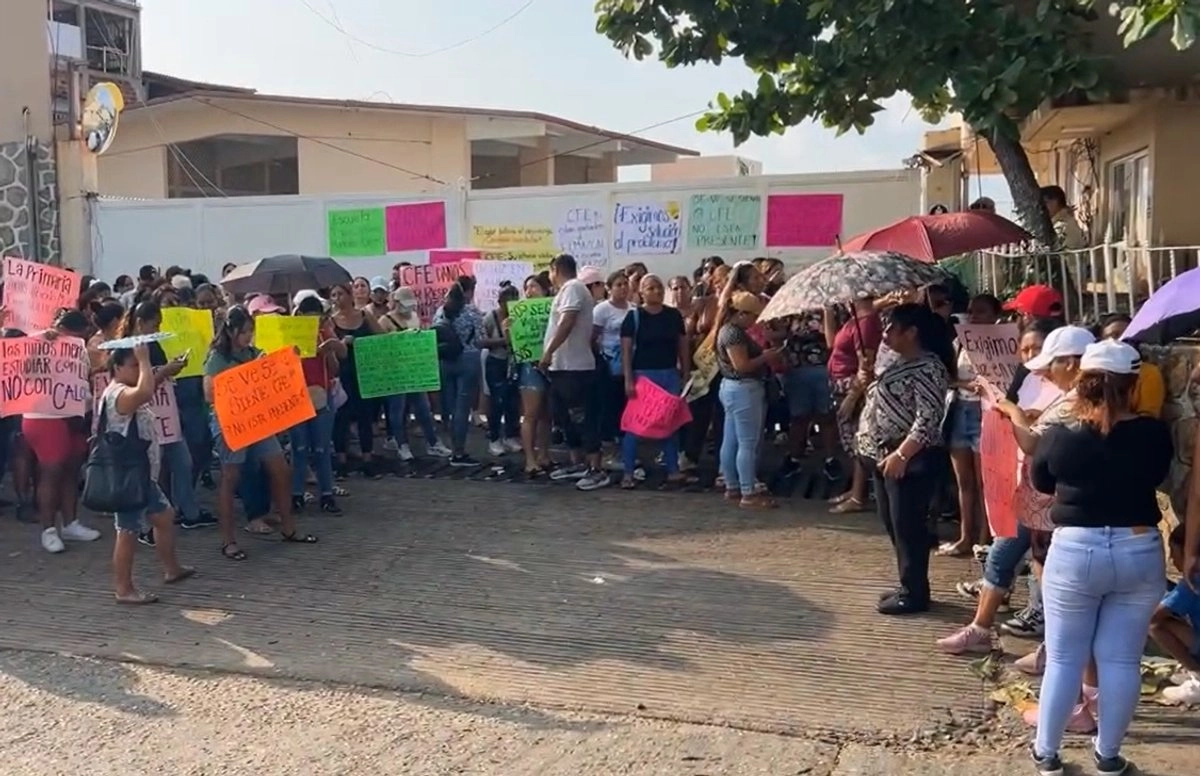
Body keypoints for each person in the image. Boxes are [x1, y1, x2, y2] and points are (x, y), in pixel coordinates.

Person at [1029, 339, 1172, 776]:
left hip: (1075, 550)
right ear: (1133, 386)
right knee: (1121, 660)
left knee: (1064, 658)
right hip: (1139, 549)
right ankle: (1108, 756)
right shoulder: (1153, 434)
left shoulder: (1060, 435)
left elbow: (1041, 482)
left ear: (1082, 382)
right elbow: (1159, 475)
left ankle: (1047, 754)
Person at [855, 303, 952, 615]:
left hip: (909, 456)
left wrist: (903, 453)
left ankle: (915, 592)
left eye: (892, 328)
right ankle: (907, 581)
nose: (885, 334)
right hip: (883, 454)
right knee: (893, 522)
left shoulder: (929, 367)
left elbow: (928, 418)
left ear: (911, 332)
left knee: (909, 525)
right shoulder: (896, 361)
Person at [203, 305, 318, 560]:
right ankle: (228, 541)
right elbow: (209, 393)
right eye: (244, 332)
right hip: (231, 424)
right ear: (231, 331)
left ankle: (289, 528)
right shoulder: (217, 358)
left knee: (281, 470)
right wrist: (243, 376)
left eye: (250, 332)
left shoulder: (254, 352)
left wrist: (288, 359)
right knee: (231, 477)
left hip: (257, 421)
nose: (248, 337)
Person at [100, 345, 196, 604]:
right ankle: (124, 589)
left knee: (164, 516)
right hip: (127, 475)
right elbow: (145, 392)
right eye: (133, 366)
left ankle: (172, 568)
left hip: (141, 473)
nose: (138, 370)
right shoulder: (118, 393)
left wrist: (150, 366)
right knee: (127, 529)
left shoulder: (123, 389)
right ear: (117, 367)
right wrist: (144, 359)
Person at [24, 309, 100, 553]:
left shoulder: (80, 349)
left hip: (76, 415)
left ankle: (70, 523)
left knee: (71, 470)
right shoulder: (39, 342)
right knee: (51, 471)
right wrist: (41, 344)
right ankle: (48, 530)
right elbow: (22, 370)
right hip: (47, 416)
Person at [938, 293, 1002, 557]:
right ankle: (966, 536)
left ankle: (985, 538)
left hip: (985, 412)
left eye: (982, 311)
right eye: (972, 311)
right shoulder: (960, 343)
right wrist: (963, 383)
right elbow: (947, 376)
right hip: (960, 409)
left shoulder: (1002, 344)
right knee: (964, 481)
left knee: (985, 481)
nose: (975, 316)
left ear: (995, 316)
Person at [539, 254, 609, 491]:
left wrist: (549, 351)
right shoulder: (567, 290)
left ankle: (596, 469)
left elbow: (567, 321)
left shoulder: (573, 287)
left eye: (550, 272)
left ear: (555, 269)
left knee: (583, 419)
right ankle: (578, 463)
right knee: (566, 419)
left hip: (575, 369)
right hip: (562, 368)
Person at [619, 274, 690, 488]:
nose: (656, 291)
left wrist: (685, 373)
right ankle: (628, 472)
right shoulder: (633, 317)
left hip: (669, 374)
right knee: (635, 425)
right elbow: (626, 351)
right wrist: (628, 379)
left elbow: (683, 345)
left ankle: (673, 470)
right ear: (641, 292)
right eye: (650, 288)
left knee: (670, 424)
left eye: (659, 287)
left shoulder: (673, 315)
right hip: (644, 377)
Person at [715, 292, 783, 508]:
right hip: (744, 388)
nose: (754, 321)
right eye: (752, 316)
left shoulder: (727, 330)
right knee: (747, 442)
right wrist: (765, 357)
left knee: (731, 439)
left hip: (732, 387)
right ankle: (748, 492)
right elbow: (742, 366)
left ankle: (733, 485)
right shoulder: (734, 334)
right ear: (741, 314)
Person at [825, 297, 884, 513]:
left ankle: (859, 495)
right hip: (841, 383)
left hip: (853, 386)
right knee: (851, 439)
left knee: (858, 439)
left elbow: (866, 364)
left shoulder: (866, 323)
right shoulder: (855, 320)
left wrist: (853, 395)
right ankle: (855, 490)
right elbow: (831, 343)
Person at [289, 293, 346, 515]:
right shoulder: (290, 336)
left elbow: (336, 367)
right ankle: (296, 494)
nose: (312, 323)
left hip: (322, 395)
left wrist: (329, 350)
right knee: (299, 448)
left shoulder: (325, 333)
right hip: (297, 398)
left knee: (322, 448)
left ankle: (327, 494)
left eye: (316, 318)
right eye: (308, 318)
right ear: (300, 316)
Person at [379, 286, 450, 460]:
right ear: (396, 302)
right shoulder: (385, 321)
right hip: (395, 372)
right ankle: (401, 444)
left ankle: (433, 443)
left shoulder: (414, 317)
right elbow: (380, 347)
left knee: (423, 409)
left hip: (415, 371)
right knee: (397, 411)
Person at [329, 282, 383, 478]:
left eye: (340, 294)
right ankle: (341, 460)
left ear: (350, 295)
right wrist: (341, 343)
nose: (337, 299)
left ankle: (367, 459)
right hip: (343, 374)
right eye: (333, 295)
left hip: (364, 372)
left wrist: (363, 343)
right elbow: (327, 346)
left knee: (365, 416)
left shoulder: (364, 315)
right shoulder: (331, 321)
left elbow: (381, 336)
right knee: (341, 417)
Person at [433, 280, 485, 467]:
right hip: (468, 359)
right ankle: (459, 451)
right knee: (462, 407)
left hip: (446, 361)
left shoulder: (440, 312)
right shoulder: (472, 312)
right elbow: (480, 339)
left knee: (449, 405)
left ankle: (451, 445)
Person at [1149, 524, 1200, 704]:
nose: (1171, 558)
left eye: (1174, 552)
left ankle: (1197, 676)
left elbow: (1154, 617)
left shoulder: (1192, 583)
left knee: (1155, 626)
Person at [517, 274, 554, 476]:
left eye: (534, 286)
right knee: (530, 414)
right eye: (527, 287)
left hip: (551, 366)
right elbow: (515, 344)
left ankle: (544, 454)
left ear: (545, 289)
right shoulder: (520, 312)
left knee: (547, 414)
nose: (529, 291)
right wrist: (509, 329)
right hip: (530, 367)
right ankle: (530, 460)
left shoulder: (553, 308)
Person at [1098, 313, 1165, 418]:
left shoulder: (1147, 373)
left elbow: (1148, 417)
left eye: (1127, 334)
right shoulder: (1093, 370)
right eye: (1114, 336)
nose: (1121, 340)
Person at [481, 284, 522, 457]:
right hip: (496, 362)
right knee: (497, 401)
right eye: (507, 301)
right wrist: (503, 341)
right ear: (500, 302)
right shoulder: (490, 318)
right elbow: (481, 341)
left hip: (514, 362)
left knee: (513, 401)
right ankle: (494, 438)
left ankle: (511, 435)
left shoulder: (520, 315)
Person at [593, 271, 633, 448]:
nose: (623, 288)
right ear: (609, 288)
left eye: (625, 284)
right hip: (609, 362)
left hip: (630, 362)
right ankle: (610, 441)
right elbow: (593, 337)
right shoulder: (602, 309)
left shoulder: (633, 309)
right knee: (611, 402)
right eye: (618, 285)